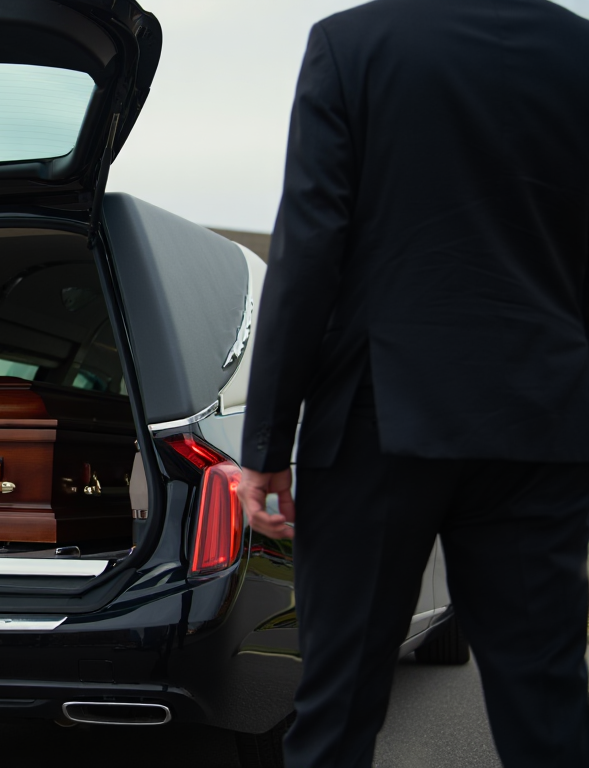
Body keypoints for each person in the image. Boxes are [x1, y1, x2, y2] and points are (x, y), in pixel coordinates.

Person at [237, 0, 589, 765]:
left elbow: (309, 252)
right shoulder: (578, 49)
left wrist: (265, 442)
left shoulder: (351, 44)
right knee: (549, 703)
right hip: (543, 419)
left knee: (339, 706)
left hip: (377, 417)